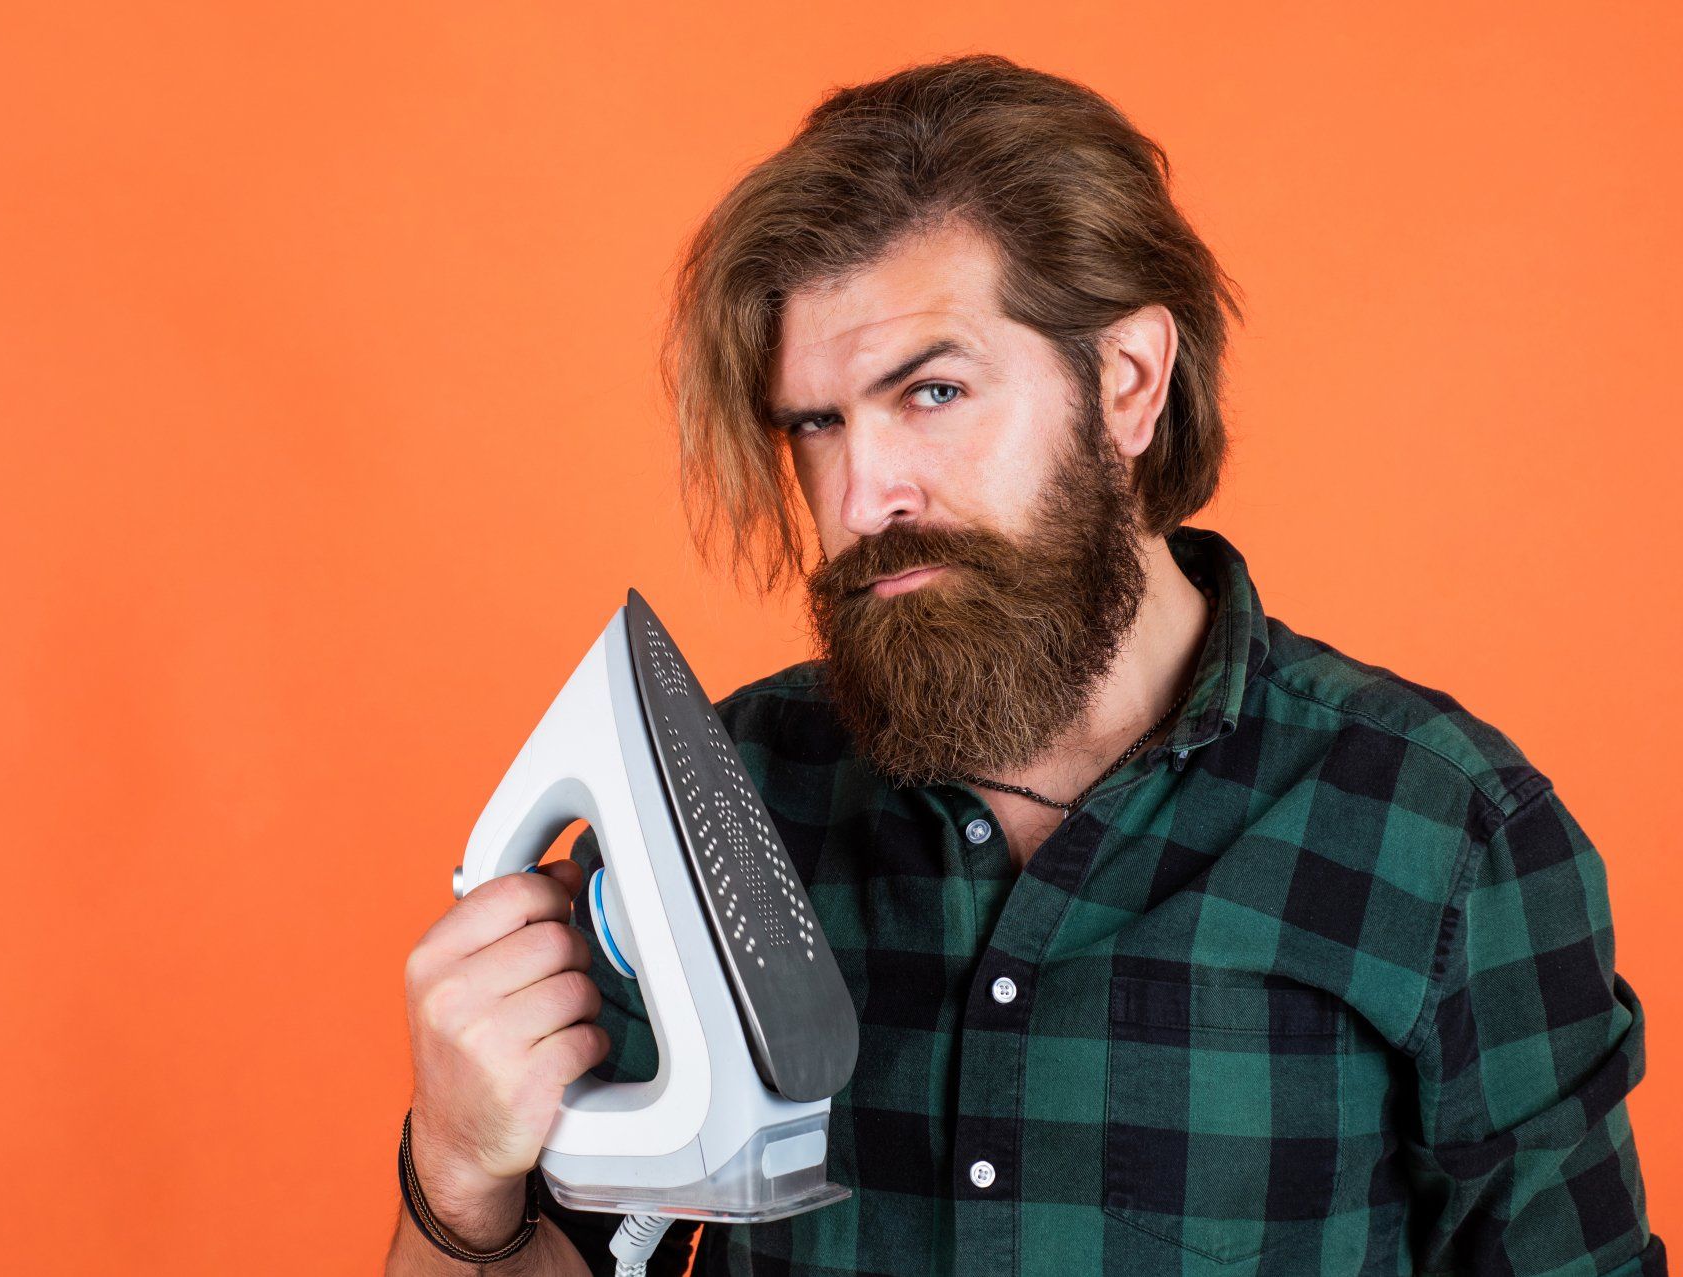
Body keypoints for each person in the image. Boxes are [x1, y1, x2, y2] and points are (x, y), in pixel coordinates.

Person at [388, 54, 1661, 1275]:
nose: (865, 490)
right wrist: (455, 1166)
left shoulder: (1440, 835)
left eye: (931, 392)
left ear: (1126, 379)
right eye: (818, 423)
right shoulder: (724, 805)